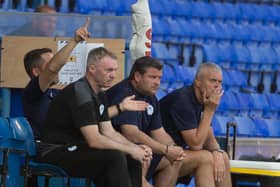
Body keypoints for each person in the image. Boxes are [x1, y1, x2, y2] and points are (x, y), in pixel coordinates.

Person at [40, 47, 152, 187]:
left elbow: (108, 131)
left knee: (131, 158)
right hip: (55, 151)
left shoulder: (100, 94)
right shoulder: (80, 93)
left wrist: (134, 148)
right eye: (108, 70)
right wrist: (130, 149)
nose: (113, 75)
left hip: (78, 148)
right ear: (92, 69)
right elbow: (94, 140)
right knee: (114, 156)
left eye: (115, 70)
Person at [107, 56, 192, 187]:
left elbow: (158, 132)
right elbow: (131, 134)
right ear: (137, 76)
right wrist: (165, 149)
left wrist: (173, 148)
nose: (157, 82)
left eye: (159, 78)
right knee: (145, 152)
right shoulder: (125, 93)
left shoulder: (150, 97)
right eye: (152, 77)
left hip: (138, 153)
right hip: (116, 152)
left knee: (175, 159)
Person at [160, 62, 232, 187]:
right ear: (198, 82)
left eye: (220, 82)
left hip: (178, 153)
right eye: (212, 81)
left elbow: (208, 135)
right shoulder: (183, 100)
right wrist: (210, 111)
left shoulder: (203, 100)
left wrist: (217, 151)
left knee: (223, 158)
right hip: (159, 154)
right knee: (204, 158)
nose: (217, 86)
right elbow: (196, 144)